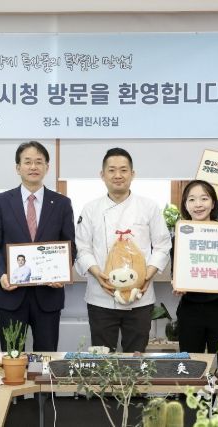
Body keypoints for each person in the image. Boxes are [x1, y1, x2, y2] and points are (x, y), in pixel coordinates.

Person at [75, 148, 172, 353]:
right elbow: (82, 248)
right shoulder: (91, 209)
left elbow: (163, 244)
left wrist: (147, 275)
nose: (118, 175)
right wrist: (97, 274)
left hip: (140, 297)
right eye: (111, 170)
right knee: (102, 358)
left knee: (136, 356)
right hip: (101, 296)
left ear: (132, 174)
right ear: (102, 175)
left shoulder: (149, 207)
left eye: (123, 170)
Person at [0, 141, 76, 352]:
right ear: (18, 168)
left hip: (48, 296)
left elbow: (70, 246)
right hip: (11, 295)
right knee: (12, 357)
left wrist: (61, 273)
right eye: (27, 162)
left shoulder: (62, 203)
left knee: (46, 357)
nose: (33, 167)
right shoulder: (0, 202)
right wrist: (1, 275)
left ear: (47, 167)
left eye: (38, 162)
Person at [173, 180, 218, 353]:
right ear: (185, 205)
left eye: (204, 198)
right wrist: (177, 283)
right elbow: (176, 271)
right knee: (191, 363)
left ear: (213, 203)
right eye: (192, 199)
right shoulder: (180, 235)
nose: (198, 204)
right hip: (190, 311)